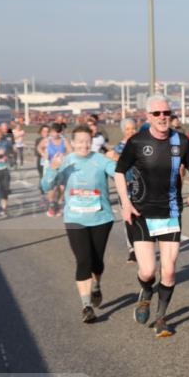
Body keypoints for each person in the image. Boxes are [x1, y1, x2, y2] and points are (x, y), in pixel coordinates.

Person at [114, 95, 189, 338]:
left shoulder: (181, 141)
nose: (163, 117)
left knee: (170, 271)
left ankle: (161, 318)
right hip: (141, 212)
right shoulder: (137, 142)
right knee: (147, 271)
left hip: (171, 212)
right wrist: (125, 203)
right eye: (157, 114)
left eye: (167, 113)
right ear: (148, 116)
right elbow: (120, 172)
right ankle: (145, 292)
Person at [41, 125, 118, 323]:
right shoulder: (64, 161)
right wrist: (52, 168)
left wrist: (117, 162)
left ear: (91, 142)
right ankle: (86, 306)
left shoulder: (100, 160)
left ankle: (97, 285)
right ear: (73, 142)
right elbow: (46, 186)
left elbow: (118, 176)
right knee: (83, 260)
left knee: (97, 261)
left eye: (87, 141)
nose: (84, 145)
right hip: (75, 219)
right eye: (80, 141)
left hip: (101, 218)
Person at [108, 117, 139, 263]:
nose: (131, 131)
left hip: (142, 188)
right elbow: (114, 170)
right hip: (125, 189)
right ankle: (132, 249)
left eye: (133, 128)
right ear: (123, 131)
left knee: (140, 218)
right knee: (128, 219)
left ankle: (142, 246)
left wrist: (117, 158)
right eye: (127, 129)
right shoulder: (118, 148)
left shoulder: (142, 144)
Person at [44, 123, 71, 217]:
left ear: (60, 132)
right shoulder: (47, 140)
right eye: (51, 132)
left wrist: (64, 155)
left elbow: (70, 151)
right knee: (52, 187)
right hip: (51, 167)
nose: (53, 134)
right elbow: (39, 147)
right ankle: (51, 205)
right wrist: (44, 154)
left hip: (62, 166)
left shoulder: (64, 140)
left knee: (62, 187)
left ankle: (59, 204)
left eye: (55, 132)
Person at [34, 124, 51, 209]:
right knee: (42, 179)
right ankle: (43, 198)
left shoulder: (52, 140)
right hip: (41, 163)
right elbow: (36, 152)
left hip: (51, 163)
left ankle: (51, 198)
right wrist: (43, 151)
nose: (46, 133)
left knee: (51, 180)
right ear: (41, 132)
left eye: (47, 131)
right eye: (44, 131)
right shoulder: (38, 140)